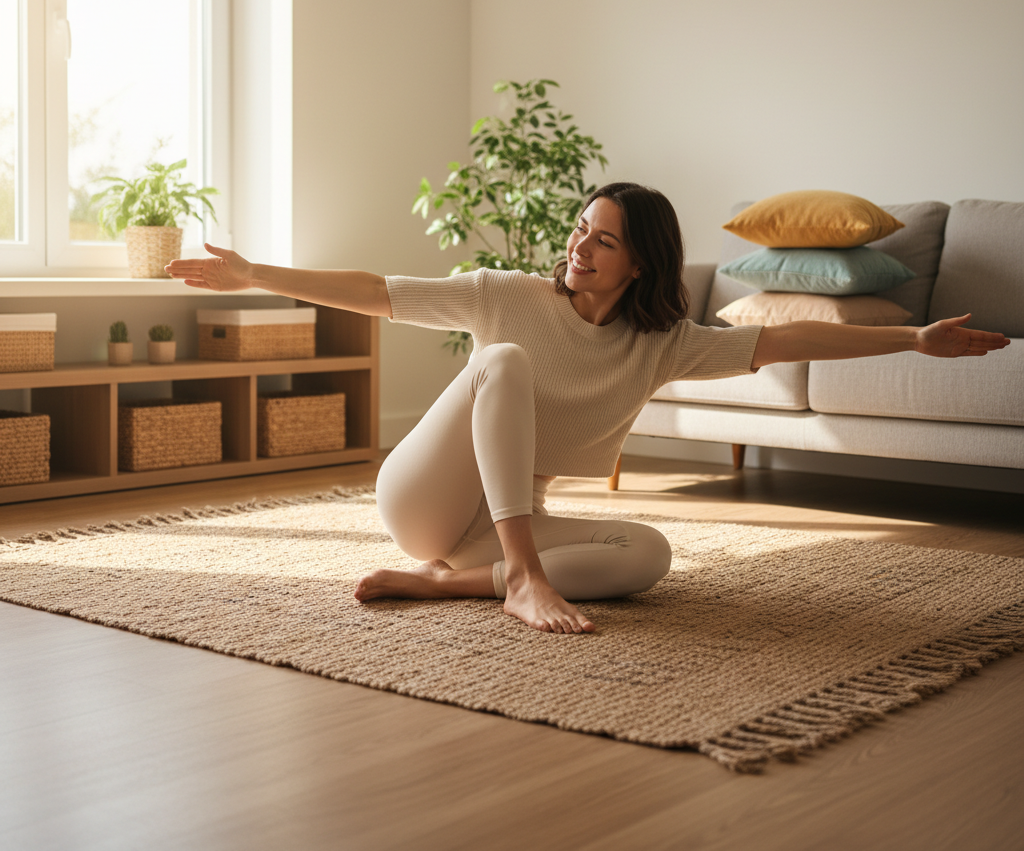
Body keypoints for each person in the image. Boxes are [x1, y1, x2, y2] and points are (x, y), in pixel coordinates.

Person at [165, 182, 1010, 636]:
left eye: (602, 239)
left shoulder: (665, 343)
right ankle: (522, 579)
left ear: (640, 264)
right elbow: (379, 292)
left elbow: (786, 340)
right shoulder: (507, 295)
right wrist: (257, 275)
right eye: (579, 230)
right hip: (422, 496)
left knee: (646, 553)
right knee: (500, 360)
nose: (578, 246)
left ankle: (448, 585)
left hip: (489, 527)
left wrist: (912, 341)